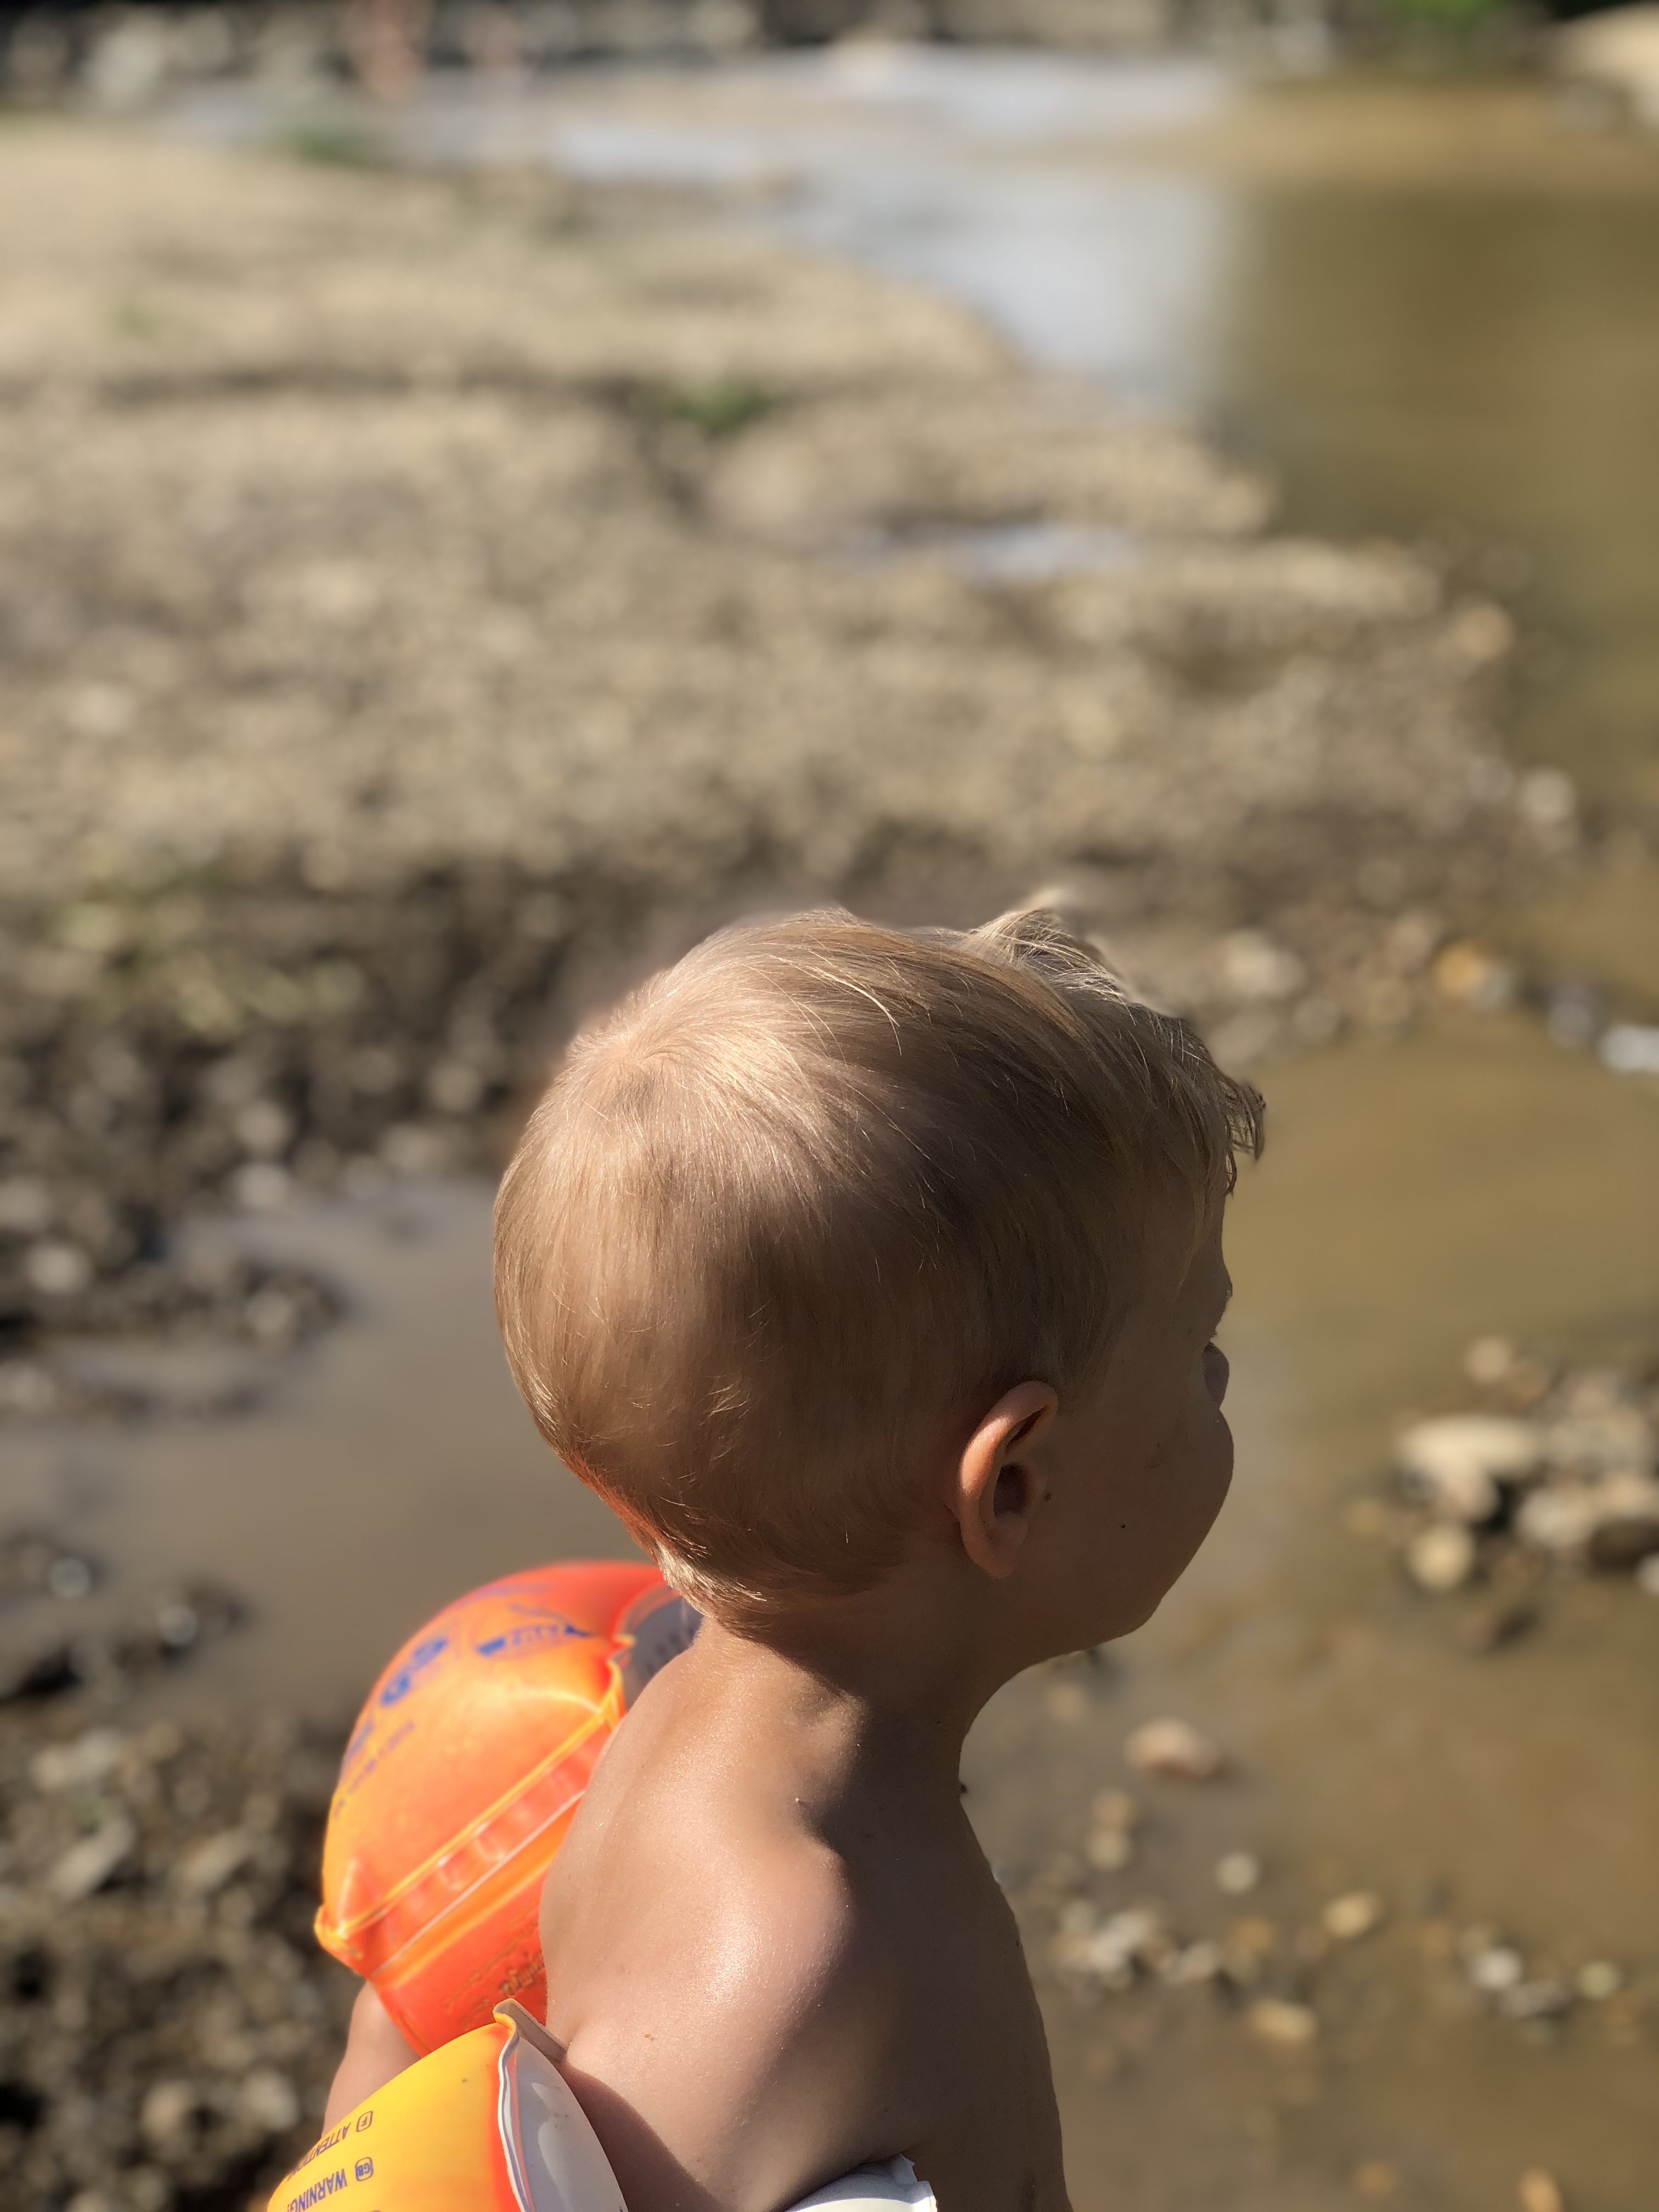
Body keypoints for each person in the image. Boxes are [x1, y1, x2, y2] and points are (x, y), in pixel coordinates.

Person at [324, 906, 1262, 2211]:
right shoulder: (794, 1955)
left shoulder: (681, 1735)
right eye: (1201, 1351)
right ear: (1014, 1484)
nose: (1222, 1383)